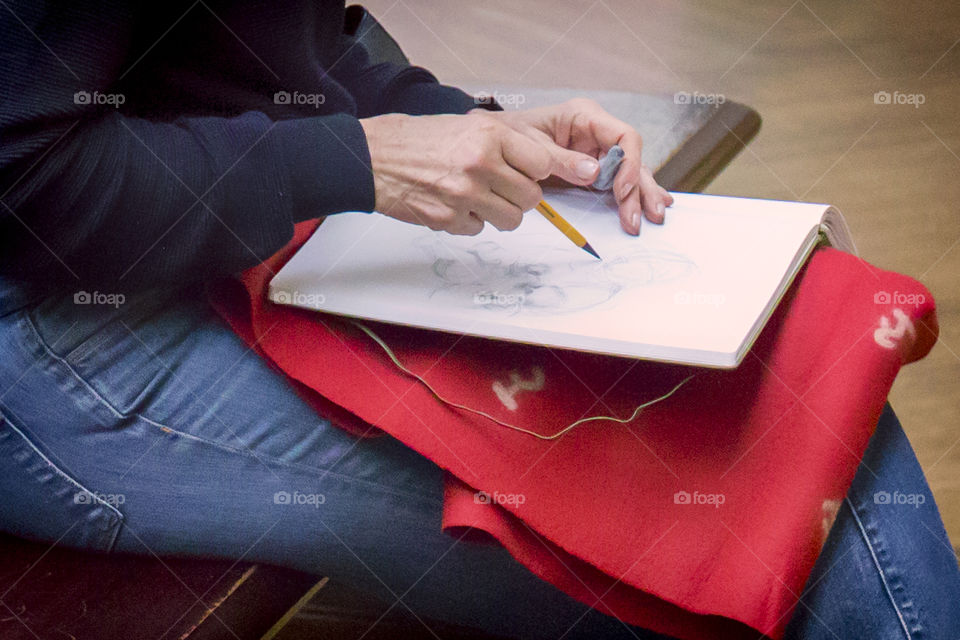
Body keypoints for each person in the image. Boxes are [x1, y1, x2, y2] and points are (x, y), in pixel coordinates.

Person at [1, 2, 958, 638]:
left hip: (223, 225)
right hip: (62, 324)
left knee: (799, 379)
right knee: (733, 502)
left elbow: (282, 48)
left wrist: (470, 127)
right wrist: (359, 159)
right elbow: (25, 181)